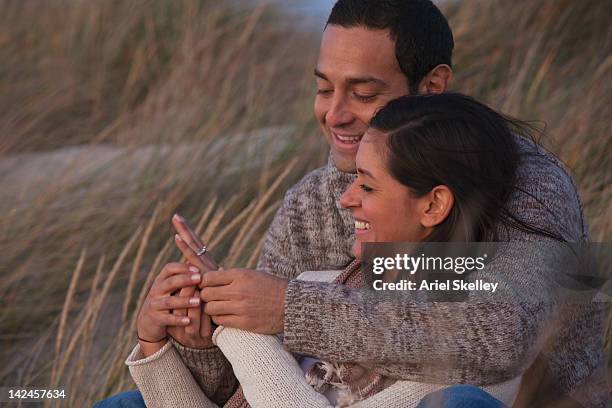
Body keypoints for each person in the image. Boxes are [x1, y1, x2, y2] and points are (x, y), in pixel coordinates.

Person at [96, 0, 607, 406]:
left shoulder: (528, 181)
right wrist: (198, 337)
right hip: (322, 398)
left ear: (432, 86)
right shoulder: (312, 201)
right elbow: (249, 388)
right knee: (125, 404)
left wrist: (286, 309)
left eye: (363, 94)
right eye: (324, 89)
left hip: (516, 401)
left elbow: (497, 340)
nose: (334, 114)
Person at [125, 93, 567, 408]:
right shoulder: (320, 283)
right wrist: (163, 341)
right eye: (323, 87)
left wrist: (241, 327)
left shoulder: (466, 354)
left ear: (433, 204)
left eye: (368, 185)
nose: (345, 198)